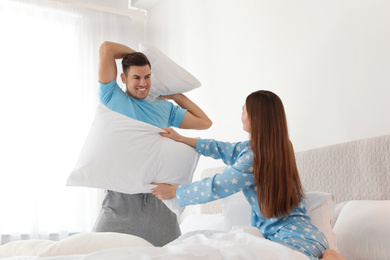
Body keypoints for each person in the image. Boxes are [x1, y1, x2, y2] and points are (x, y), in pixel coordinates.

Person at [152, 90, 345, 259]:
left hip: (292, 241)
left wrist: (176, 192)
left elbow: (216, 186)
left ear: (256, 116)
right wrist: (181, 138)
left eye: (244, 110)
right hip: (312, 237)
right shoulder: (278, 146)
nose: (241, 114)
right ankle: (329, 254)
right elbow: (222, 148)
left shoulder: (254, 157)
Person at [93, 41, 212, 247]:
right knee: (94, 252)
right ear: (123, 78)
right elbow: (106, 48)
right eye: (136, 77)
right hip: (120, 204)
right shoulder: (112, 97)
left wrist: (175, 94)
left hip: (159, 204)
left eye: (147, 77)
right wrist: (140, 55)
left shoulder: (164, 109)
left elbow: (204, 122)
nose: (143, 83)